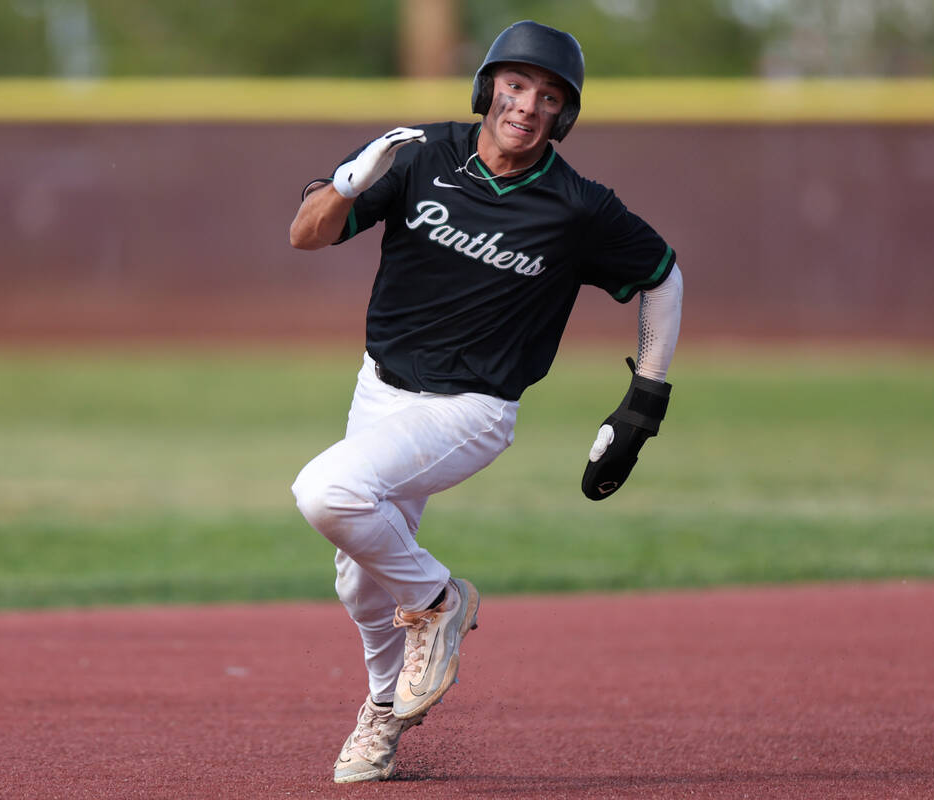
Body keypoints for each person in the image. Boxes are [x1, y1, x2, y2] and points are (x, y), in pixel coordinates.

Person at [289, 20, 683, 784]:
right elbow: (305, 236)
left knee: (326, 491)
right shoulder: (419, 154)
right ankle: (382, 713)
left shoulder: (578, 207)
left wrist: (646, 398)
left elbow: (663, 275)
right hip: (380, 390)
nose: (527, 106)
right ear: (486, 87)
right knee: (356, 578)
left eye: (548, 96)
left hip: (471, 409)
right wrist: (347, 182)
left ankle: (440, 600)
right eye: (515, 85)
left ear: (563, 116)